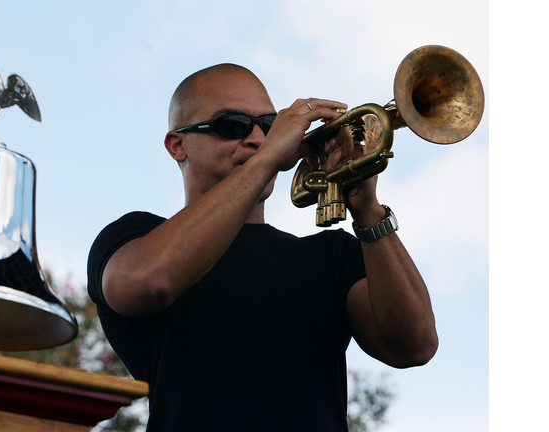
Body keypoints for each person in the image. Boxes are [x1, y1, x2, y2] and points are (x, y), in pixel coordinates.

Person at [87, 63, 438, 431]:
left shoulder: (333, 253)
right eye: (233, 126)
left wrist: (368, 211)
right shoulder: (135, 236)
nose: (257, 138)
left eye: (269, 126)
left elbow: (414, 345)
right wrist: (268, 157)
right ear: (178, 145)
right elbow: (150, 281)